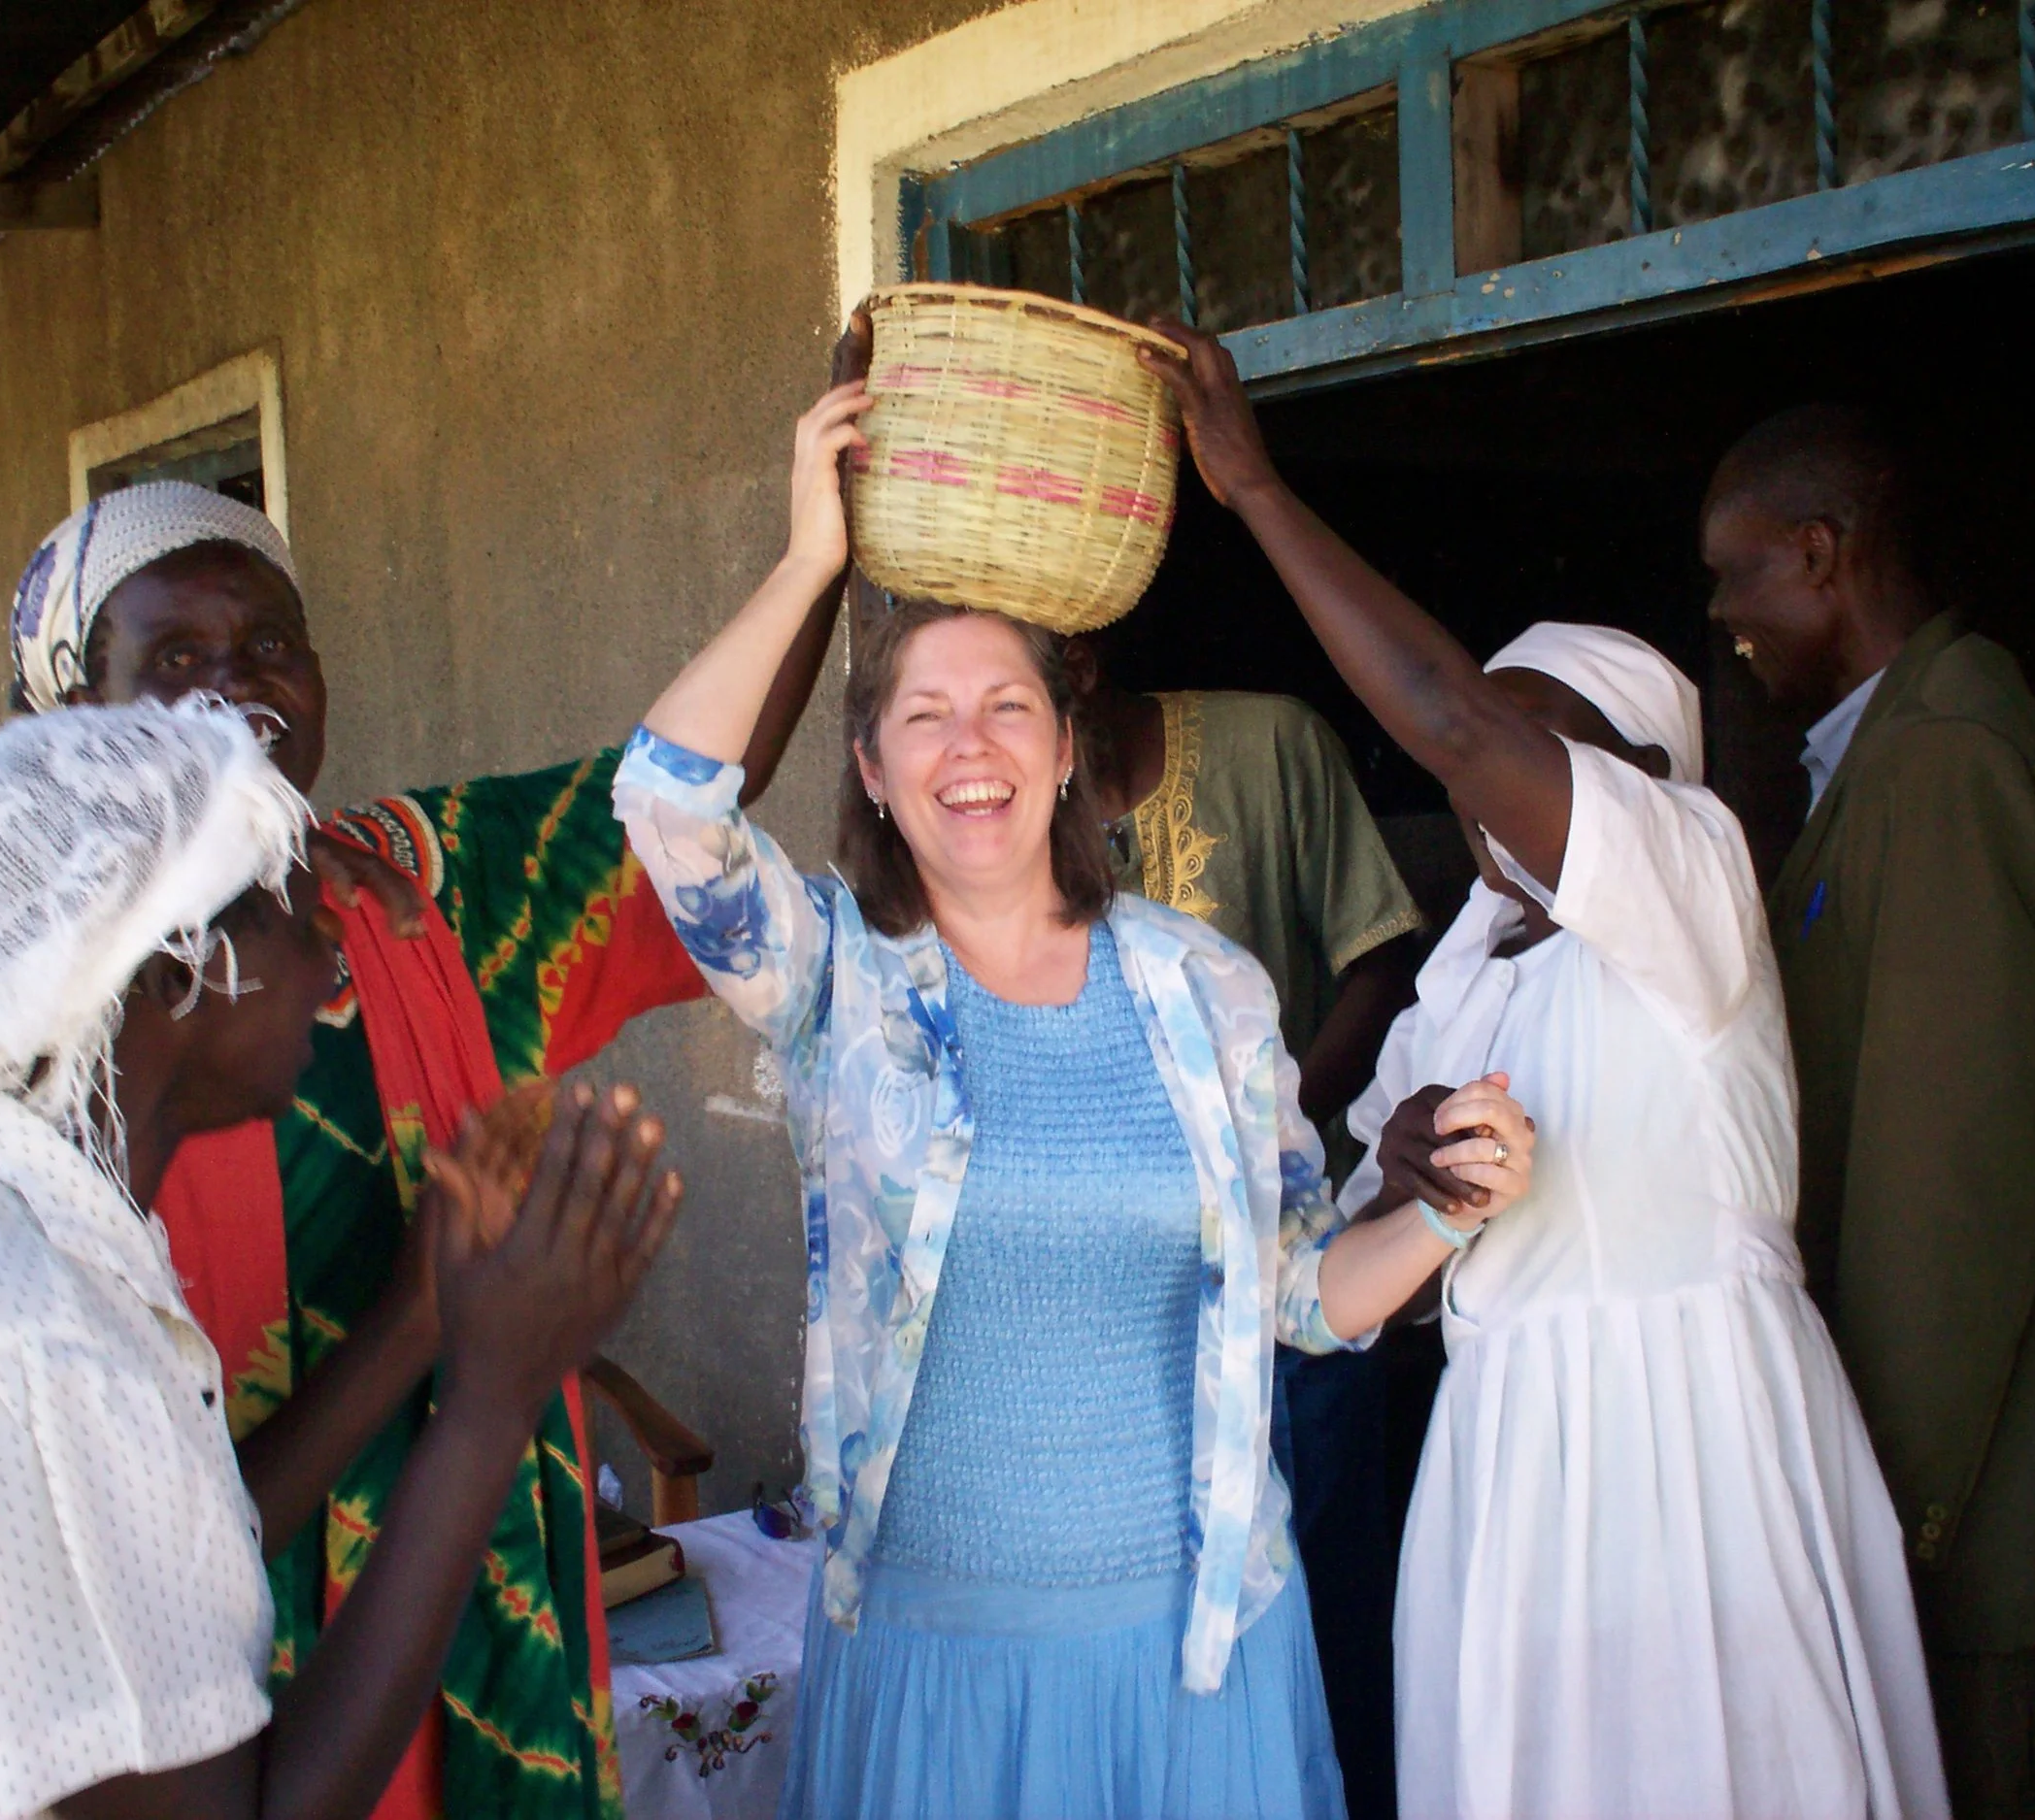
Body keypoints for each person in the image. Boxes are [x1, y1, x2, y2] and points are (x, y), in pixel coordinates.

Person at [611, 380, 1534, 1818]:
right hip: (934, 1662)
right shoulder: (836, 977)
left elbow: (1297, 1289)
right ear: (871, 764)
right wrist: (810, 557)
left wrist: (1448, 1213)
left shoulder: (1209, 992)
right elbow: (668, 807)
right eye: (924, 716)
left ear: (1061, 751)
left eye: (1005, 708)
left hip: (1193, 1657)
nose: (968, 747)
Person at [1141, 324, 1950, 1819]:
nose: (1482, 773)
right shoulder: (1463, 974)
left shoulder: (1688, 890)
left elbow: (1446, 715)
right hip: (1512, 1451)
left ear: (1634, 771)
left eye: (1535, 746)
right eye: (1489, 747)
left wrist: (1253, 489)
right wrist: (1408, 1171)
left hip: (1687, 1437)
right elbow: (1370, 1209)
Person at [5, 479, 834, 1817]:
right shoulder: (14, 1043)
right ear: (69, 714)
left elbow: (668, 810)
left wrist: (818, 555)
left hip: (490, 1623)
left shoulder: (414, 888)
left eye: (271, 641)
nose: (236, 689)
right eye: (172, 656)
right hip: (214, 1685)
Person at [0, 697, 682, 1820]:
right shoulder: (32, 1339)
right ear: (182, 976)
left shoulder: (8, 1199)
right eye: (288, 906)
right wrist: (487, 1401)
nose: (333, 943)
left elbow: (189, 1542)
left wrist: (419, 1314)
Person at [1704, 403, 2035, 1817]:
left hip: (1993, 1519)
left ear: (1822, 554)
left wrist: (1892, 1504)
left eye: (1735, 576)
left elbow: (1953, 1176)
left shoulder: (1952, 751)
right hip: (1976, 1498)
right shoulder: (1896, 751)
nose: (1723, 619)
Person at [1067, 637, 1422, 1817]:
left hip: (1299, 1279)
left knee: (1329, 1623)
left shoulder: (1272, 740)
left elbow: (1381, 961)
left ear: (1090, 633)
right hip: (1133, 1336)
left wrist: (1266, 1144)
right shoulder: (1002, 808)